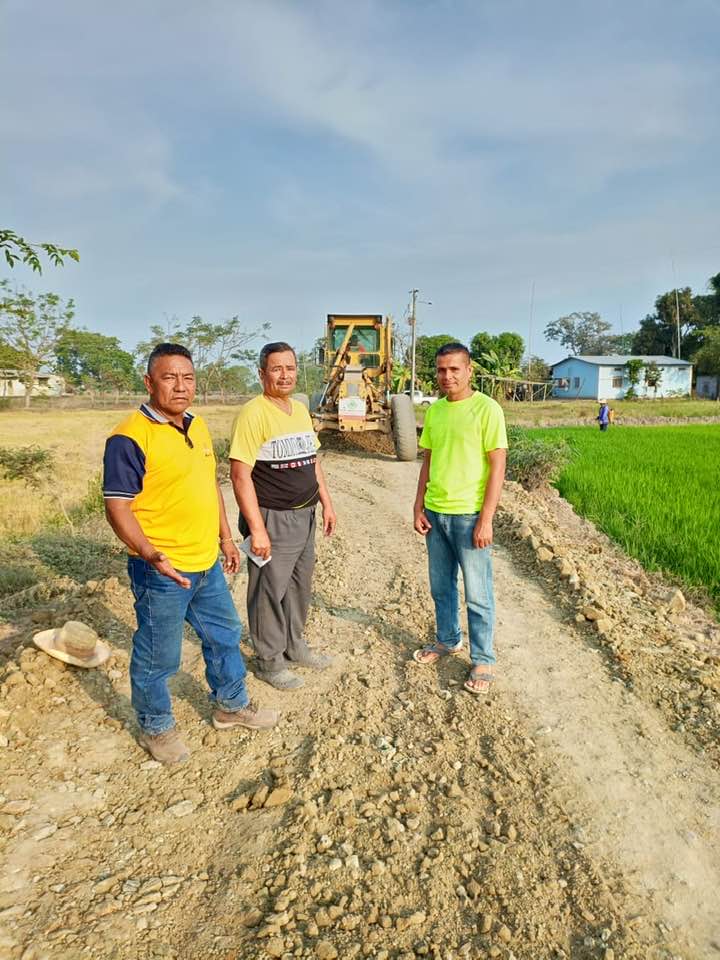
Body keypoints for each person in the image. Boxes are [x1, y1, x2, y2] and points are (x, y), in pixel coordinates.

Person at [103, 343, 277, 765]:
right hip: (161, 569)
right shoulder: (129, 437)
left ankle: (231, 705)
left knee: (225, 636)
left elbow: (209, 485)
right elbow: (117, 506)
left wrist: (225, 538)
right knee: (159, 654)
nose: (180, 386)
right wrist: (150, 553)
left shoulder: (197, 426)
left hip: (205, 562)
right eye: (169, 378)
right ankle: (156, 726)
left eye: (188, 378)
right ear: (149, 382)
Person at [229, 342, 337, 691]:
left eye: (290, 368)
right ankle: (269, 661)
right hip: (272, 517)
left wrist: (327, 503)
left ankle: (295, 646)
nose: (285, 375)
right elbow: (239, 475)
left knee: (298, 587)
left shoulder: (300, 410)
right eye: (276, 369)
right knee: (268, 591)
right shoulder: (253, 413)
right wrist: (257, 529)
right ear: (262, 373)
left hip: (305, 515)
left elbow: (313, 462)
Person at [412, 342, 507, 695]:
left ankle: (483, 659)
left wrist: (486, 518)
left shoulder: (487, 409)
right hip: (436, 514)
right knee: (441, 587)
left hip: (469, 516)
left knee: (478, 594)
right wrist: (418, 506)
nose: (447, 376)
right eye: (441, 370)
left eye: (454, 369)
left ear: (469, 371)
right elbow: (429, 461)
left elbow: (498, 465)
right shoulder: (435, 412)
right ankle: (447, 640)